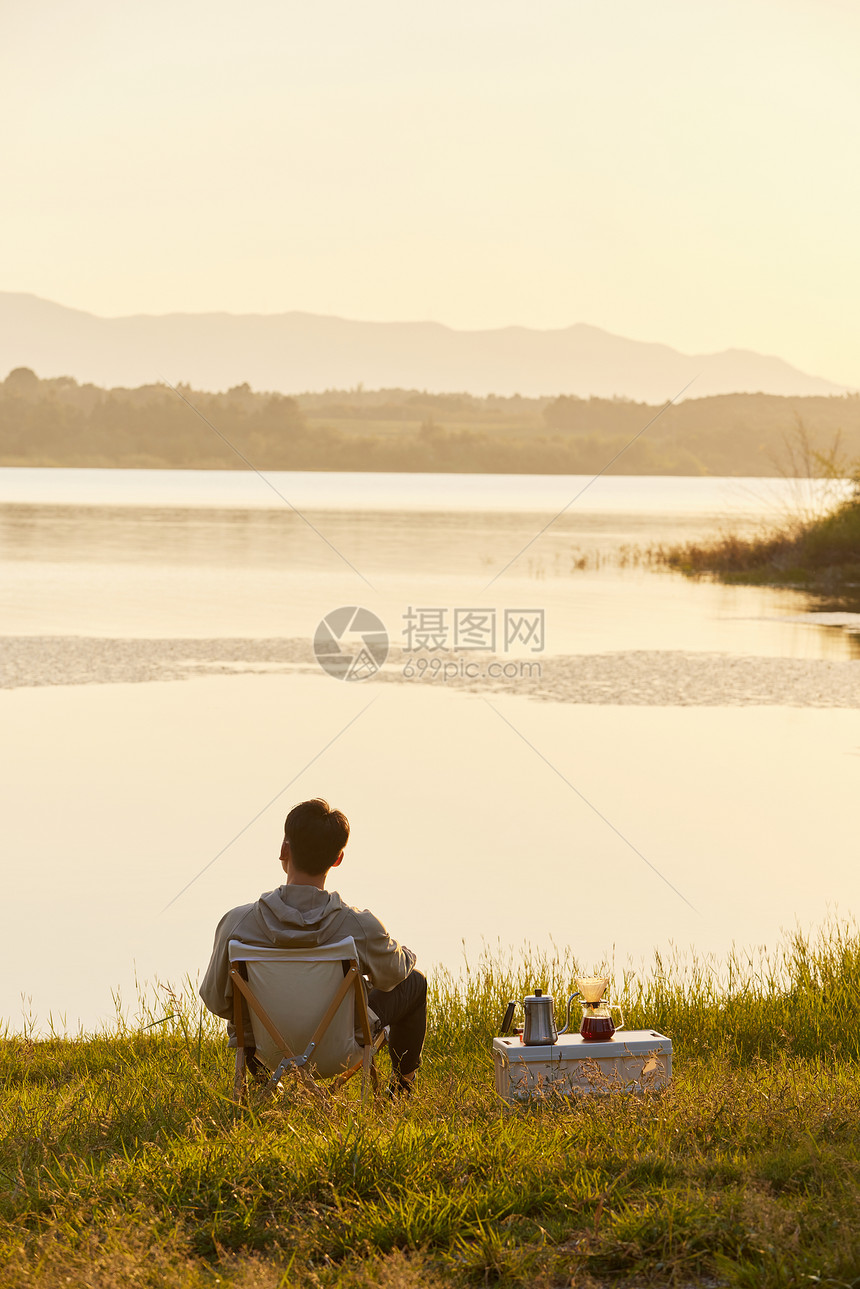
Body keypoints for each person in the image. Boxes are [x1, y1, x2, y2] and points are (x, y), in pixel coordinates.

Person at [200, 797, 426, 1094]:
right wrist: (406, 955)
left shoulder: (238, 923)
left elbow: (216, 999)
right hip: (340, 1051)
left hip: (264, 1051)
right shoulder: (358, 925)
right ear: (338, 858)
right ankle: (401, 1091)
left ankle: (260, 1088)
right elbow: (392, 976)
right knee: (416, 982)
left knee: (245, 1016)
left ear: (284, 849)